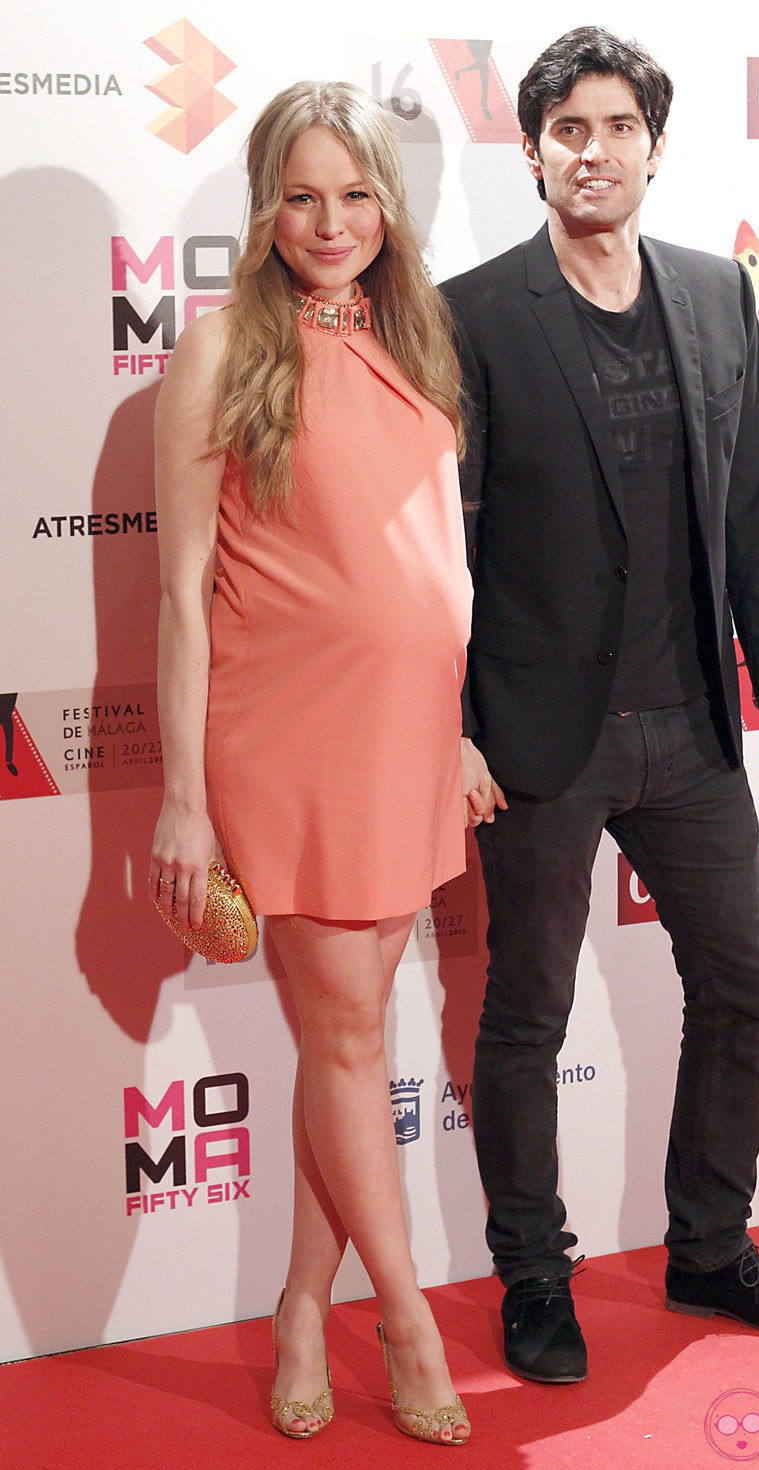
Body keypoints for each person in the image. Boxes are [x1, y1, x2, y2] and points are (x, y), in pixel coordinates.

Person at [442, 27, 759, 1384]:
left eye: (619, 128)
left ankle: (710, 1247)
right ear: (536, 150)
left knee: (743, 979)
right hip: (538, 736)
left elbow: (754, 500)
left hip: (690, 725)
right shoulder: (476, 312)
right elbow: (440, 538)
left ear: (654, 147)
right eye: (570, 130)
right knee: (528, 1012)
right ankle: (531, 1271)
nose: (595, 151)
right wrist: (448, 723)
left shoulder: (716, 296)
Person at [149, 80, 477, 1445]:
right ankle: (404, 1319)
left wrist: (456, 725)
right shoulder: (220, 350)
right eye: (301, 195)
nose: (329, 221)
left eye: (354, 194)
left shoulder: (417, 341)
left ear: (388, 207)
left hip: (407, 744)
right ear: (264, 207)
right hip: (288, 746)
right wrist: (179, 796)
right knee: (347, 1034)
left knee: (346, 1045)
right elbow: (177, 593)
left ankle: (298, 1302)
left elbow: (434, 561)